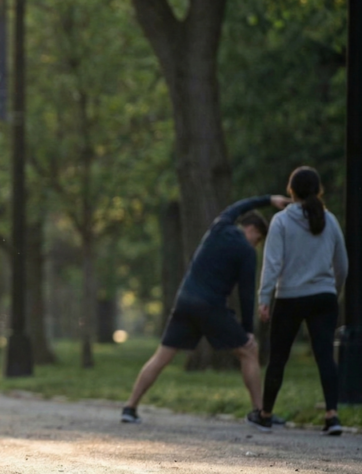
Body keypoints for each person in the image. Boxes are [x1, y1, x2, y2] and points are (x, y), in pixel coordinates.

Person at [120, 194, 291, 431]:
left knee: (161, 357)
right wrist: (248, 331)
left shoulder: (220, 225)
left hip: (185, 300)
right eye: (258, 238)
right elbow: (246, 294)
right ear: (250, 229)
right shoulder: (246, 252)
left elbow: (237, 205)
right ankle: (260, 413)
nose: (256, 244)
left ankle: (130, 407)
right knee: (249, 351)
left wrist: (268, 200)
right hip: (210, 307)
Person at [258, 167, 347, 435]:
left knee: (278, 357)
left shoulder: (281, 222)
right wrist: (334, 290)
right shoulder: (329, 220)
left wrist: (264, 297)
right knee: (324, 356)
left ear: (291, 190)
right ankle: (332, 416)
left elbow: (272, 264)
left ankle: (265, 414)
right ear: (318, 190)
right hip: (323, 296)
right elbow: (342, 263)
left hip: (290, 297)